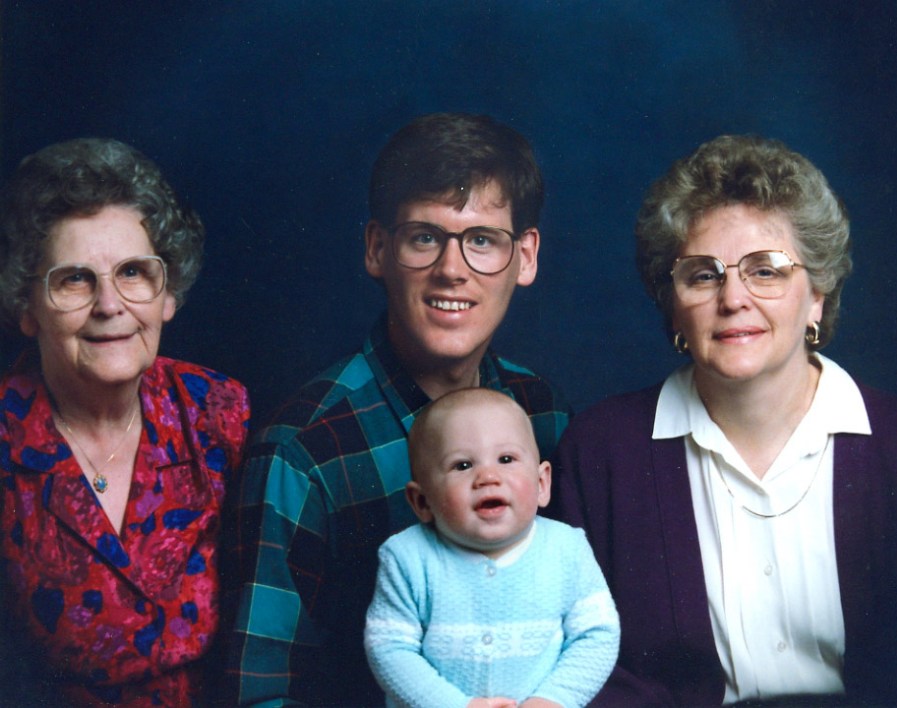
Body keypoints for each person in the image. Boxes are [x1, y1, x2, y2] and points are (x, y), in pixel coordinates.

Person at [227, 113, 571, 706]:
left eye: (482, 240)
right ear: (377, 249)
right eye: (424, 238)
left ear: (526, 257)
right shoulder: (304, 454)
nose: (452, 270)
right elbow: (261, 695)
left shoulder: (543, 415)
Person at [550, 134, 897, 706]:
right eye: (703, 275)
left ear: (816, 294)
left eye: (766, 271)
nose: (733, 298)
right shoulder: (598, 453)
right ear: (673, 305)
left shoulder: (895, 444)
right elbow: (576, 666)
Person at [0, 138, 250, 706]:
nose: (109, 305)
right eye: (74, 279)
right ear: (25, 306)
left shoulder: (218, 413)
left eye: (133, 273)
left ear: (168, 295)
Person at [365, 388, 619, 708]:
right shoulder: (407, 557)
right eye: (462, 465)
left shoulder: (566, 548)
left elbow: (597, 635)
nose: (488, 476)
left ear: (542, 483)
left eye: (506, 459)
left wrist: (553, 700)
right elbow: (389, 649)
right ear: (422, 501)